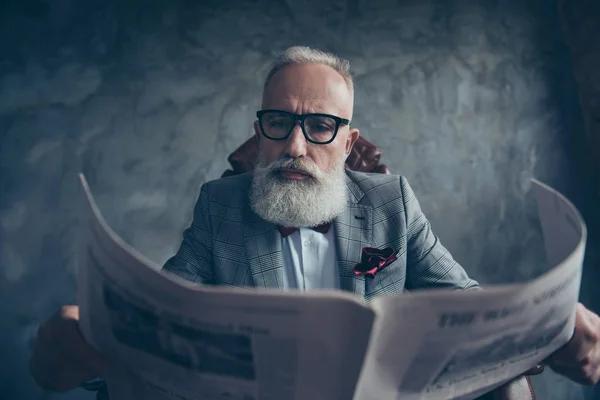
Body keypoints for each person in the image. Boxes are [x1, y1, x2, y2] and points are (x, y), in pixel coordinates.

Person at [29, 46, 600, 394]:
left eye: (321, 127)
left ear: (349, 143)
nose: (296, 147)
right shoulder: (219, 208)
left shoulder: (391, 204)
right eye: (278, 123)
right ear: (260, 132)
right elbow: (168, 317)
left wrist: (551, 329)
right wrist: (90, 346)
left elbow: (472, 309)